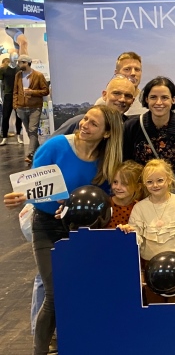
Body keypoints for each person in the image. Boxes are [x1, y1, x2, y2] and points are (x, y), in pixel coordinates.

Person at [4, 104, 123, 355]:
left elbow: (107, 199)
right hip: (47, 225)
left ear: (107, 133)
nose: (84, 125)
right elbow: (32, 187)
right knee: (54, 294)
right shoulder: (56, 146)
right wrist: (20, 198)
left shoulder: (108, 161)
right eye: (85, 119)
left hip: (83, 232)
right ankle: (39, 350)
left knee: (80, 291)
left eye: (93, 123)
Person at [119, 159, 175, 306]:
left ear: (169, 179)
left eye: (160, 180)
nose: (155, 185)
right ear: (144, 184)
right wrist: (129, 231)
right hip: (151, 269)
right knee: (154, 306)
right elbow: (136, 238)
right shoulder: (140, 208)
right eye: (150, 182)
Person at [123, 76, 175, 209]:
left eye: (164, 97)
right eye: (153, 97)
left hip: (174, 195)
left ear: (173, 100)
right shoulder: (132, 127)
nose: (159, 102)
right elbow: (127, 164)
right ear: (146, 99)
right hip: (140, 196)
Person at [53, 75, 137, 136]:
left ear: (132, 101)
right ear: (104, 95)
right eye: (116, 93)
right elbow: (49, 147)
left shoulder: (132, 128)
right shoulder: (79, 122)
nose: (122, 99)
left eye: (128, 96)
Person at [13, 54, 50, 163]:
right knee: (30, 132)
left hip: (35, 107)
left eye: (20, 62)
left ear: (26, 63)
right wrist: (15, 106)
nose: (18, 64)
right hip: (21, 107)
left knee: (32, 130)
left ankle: (30, 154)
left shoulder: (38, 75)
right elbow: (15, 91)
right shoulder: (18, 75)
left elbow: (45, 91)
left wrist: (32, 92)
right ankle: (39, 151)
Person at [95, 51, 147, 116]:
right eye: (127, 69)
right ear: (117, 73)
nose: (133, 73)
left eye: (137, 69)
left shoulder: (148, 103)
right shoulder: (102, 104)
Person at [107, 161, 145, 228]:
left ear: (138, 187)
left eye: (124, 184)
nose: (118, 187)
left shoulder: (140, 208)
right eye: (115, 182)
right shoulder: (105, 204)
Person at [0, 54, 23, 145]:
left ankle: (18, 135)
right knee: (5, 117)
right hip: (7, 95)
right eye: (14, 57)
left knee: (19, 116)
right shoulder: (3, 69)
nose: (15, 59)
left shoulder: (19, 69)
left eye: (16, 57)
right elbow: (0, 83)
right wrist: (0, 96)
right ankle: (4, 137)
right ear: (10, 58)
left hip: (17, 95)